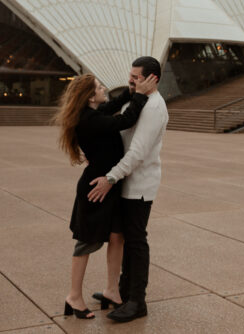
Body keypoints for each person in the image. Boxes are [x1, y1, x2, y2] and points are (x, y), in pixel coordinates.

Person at [54, 72, 157, 319]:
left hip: (109, 186)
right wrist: (140, 96)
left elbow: (111, 105)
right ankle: (74, 296)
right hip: (96, 188)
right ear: (90, 97)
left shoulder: (92, 113)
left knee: (117, 236)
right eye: (100, 87)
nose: (104, 90)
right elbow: (125, 120)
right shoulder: (89, 120)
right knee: (87, 242)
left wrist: (130, 90)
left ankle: (112, 291)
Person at [87, 56, 168, 323]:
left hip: (140, 186)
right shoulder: (138, 102)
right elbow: (120, 133)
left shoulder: (155, 107)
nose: (130, 80)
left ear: (152, 79)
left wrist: (109, 178)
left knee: (136, 242)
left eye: (136, 76)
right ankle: (121, 293)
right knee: (126, 240)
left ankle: (137, 301)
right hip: (126, 183)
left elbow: (137, 153)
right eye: (130, 75)